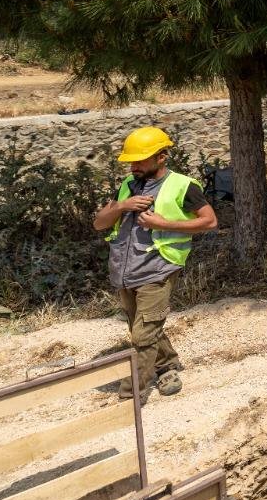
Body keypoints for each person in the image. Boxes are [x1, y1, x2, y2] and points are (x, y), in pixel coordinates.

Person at [92, 127, 217, 400]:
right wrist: (121, 206)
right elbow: (99, 224)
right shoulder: (128, 185)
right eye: (131, 161)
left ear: (161, 157)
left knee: (143, 334)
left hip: (158, 268)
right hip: (125, 270)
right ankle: (167, 366)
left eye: (140, 160)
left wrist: (162, 224)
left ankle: (131, 396)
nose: (133, 166)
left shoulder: (183, 185)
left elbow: (210, 221)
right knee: (143, 326)